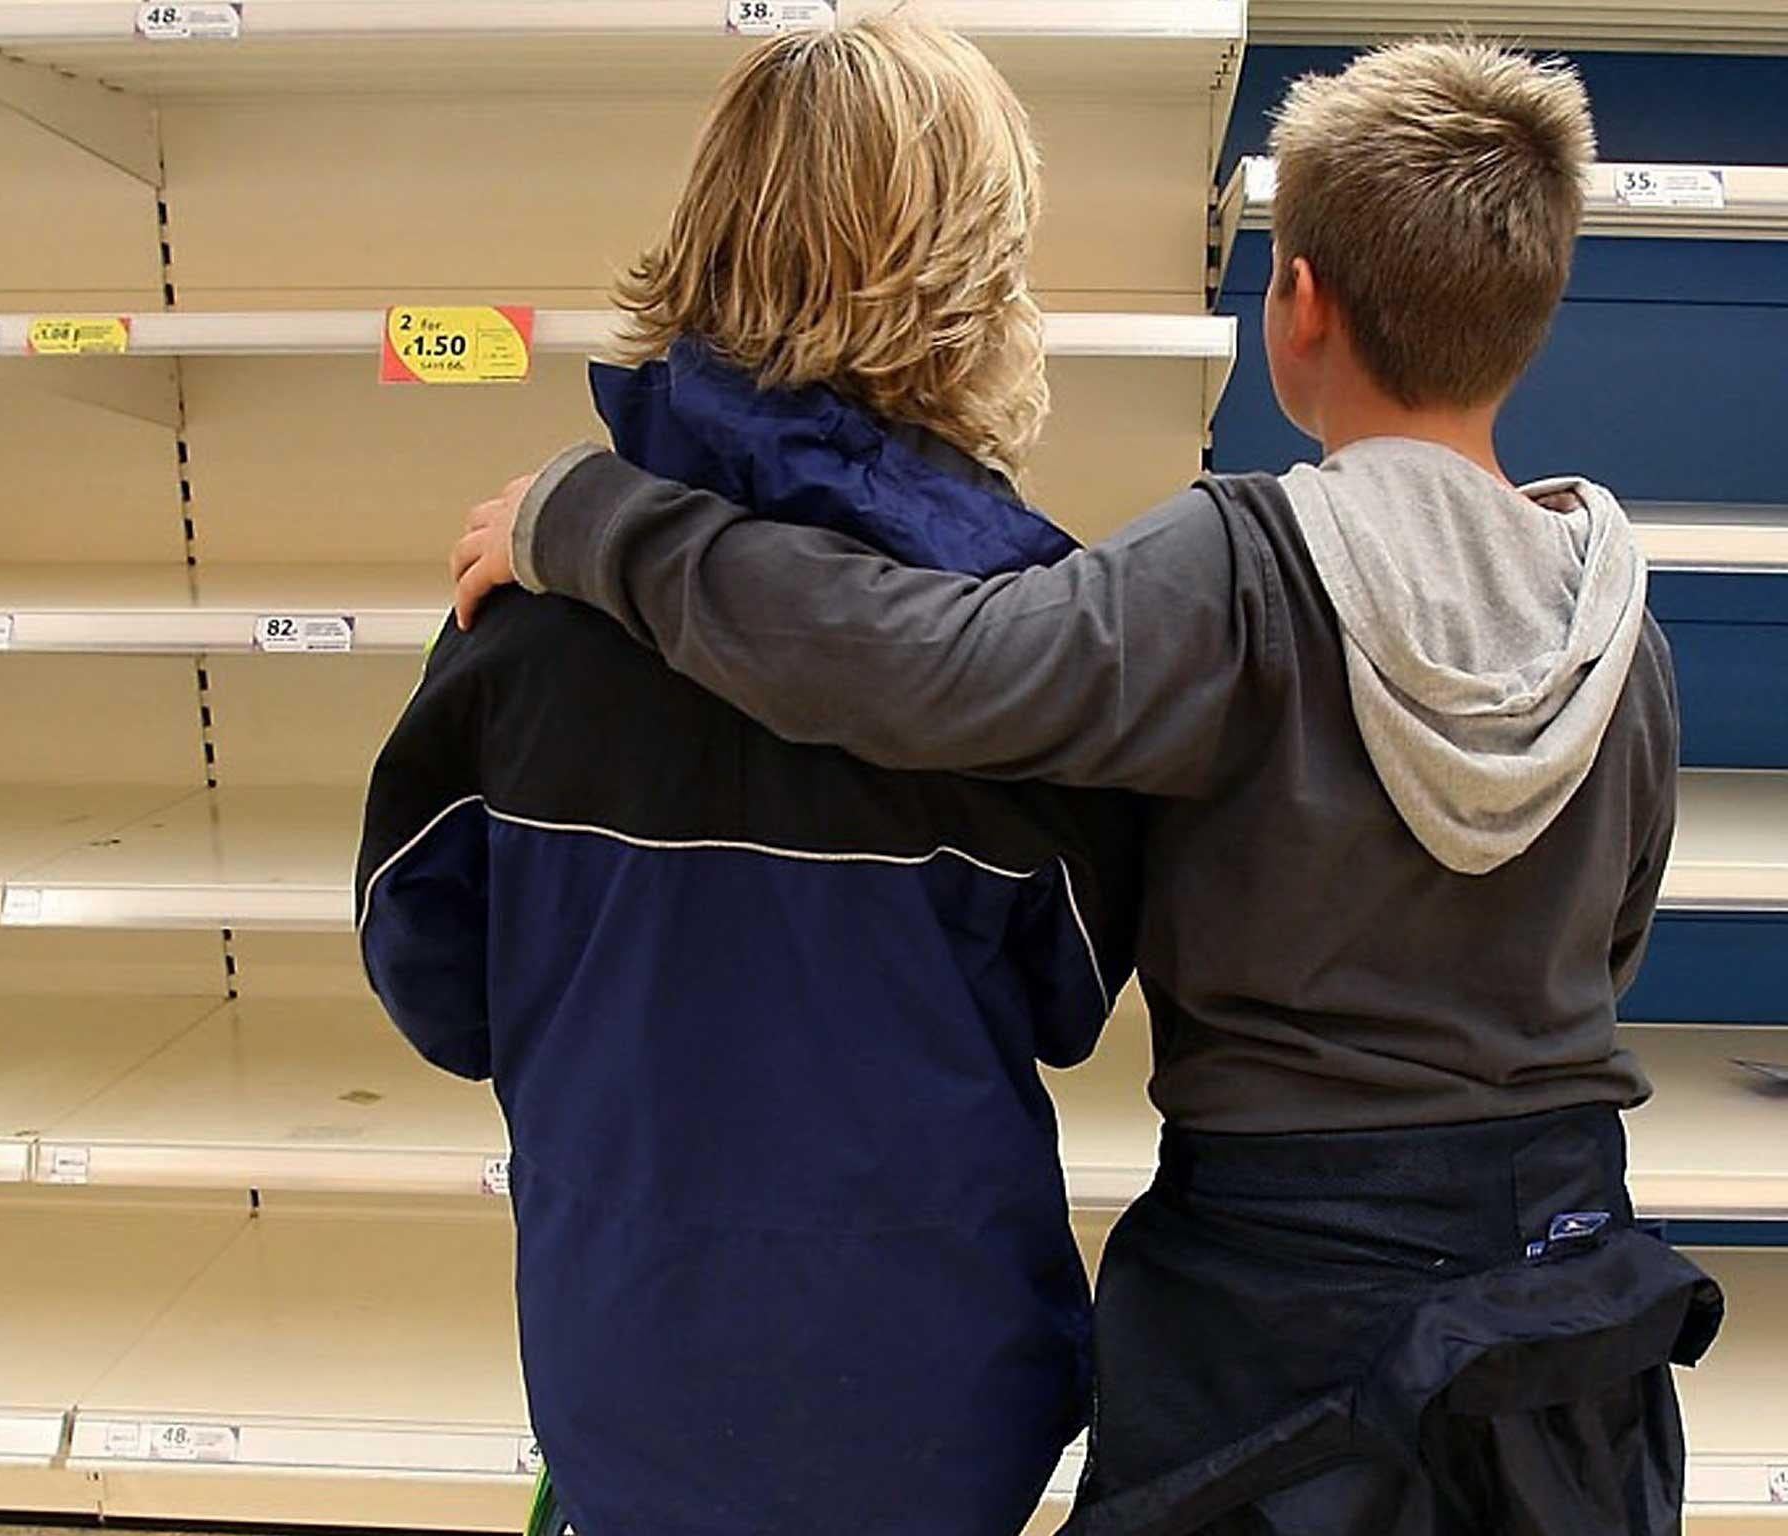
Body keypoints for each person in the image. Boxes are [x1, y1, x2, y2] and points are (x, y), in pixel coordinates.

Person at [451, 39, 1727, 1536]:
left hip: (1283, 1303)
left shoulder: (1239, 570)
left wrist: (598, 521)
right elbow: (1611, 932)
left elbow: (917, 664)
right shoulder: (1612, 626)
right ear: (1533, 311)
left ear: (1298, 301)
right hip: (1563, 1282)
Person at [356, 20, 1140, 1536]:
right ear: (974, 285)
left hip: (624, 1374)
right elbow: (1067, 1001)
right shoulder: (1021, 661)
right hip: (937, 1404)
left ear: (706, 238)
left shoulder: (519, 616)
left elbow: (434, 982)